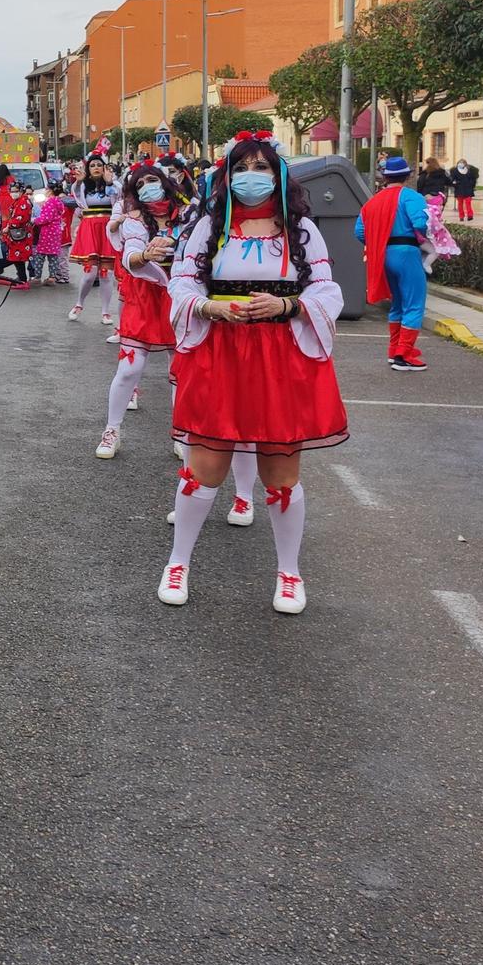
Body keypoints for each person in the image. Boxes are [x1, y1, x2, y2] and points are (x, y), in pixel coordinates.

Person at [165, 133, 347, 615]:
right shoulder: (209, 227)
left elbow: (328, 291)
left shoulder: (301, 231)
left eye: (262, 167)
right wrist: (206, 306)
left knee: (281, 472)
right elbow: (181, 282)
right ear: (227, 175)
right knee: (204, 467)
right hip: (220, 354)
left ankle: (289, 572)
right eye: (242, 166)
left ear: (279, 174)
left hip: (279, 357)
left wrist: (289, 304)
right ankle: (177, 562)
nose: (252, 175)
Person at [96, 163, 182, 460]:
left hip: (182, 297)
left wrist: (177, 242)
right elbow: (130, 257)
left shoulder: (187, 214)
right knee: (129, 369)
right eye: (141, 182)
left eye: (152, 179)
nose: (148, 185)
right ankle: (112, 430)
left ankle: (182, 433)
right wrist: (145, 254)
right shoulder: (133, 219)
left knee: (181, 370)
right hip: (144, 297)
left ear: (164, 181)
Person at [356, 154, 433, 371]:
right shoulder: (412, 197)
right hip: (407, 253)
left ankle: (394, 350)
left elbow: (359, 232)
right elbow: (420, 223)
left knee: (397, 303)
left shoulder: (372, 202)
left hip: (382, 255)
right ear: (407, 176)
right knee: (414, 303)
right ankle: (405, 354)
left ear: (384, 177)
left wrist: (379, 240)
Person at [67, 155, 120, 323]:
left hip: (108, 229)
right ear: (88, 169)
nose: (96, 167)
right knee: (90, 273)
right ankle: (79, 303)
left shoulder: (114, 183)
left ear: (104, 168)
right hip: (90, 227)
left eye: (99, 165)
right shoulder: (83, 185)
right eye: (92, 165)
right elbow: (76, 195)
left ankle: (105, 312)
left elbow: (119, 198)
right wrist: (79, 182)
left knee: (107, 273)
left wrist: (110, 182)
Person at [35, 183, 69, 285]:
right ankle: (52, 277)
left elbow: (46, 218)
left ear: (50, 191)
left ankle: (37, 277)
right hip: (56, 231)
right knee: (53, 256)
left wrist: (35, 220)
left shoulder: (50, 203)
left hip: (47, 232)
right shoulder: (59, 202)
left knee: (40, 255)